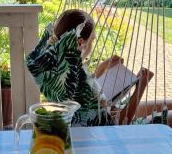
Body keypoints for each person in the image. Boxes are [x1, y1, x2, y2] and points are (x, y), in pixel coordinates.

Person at [26, 9, 154, 127]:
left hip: (84, 124)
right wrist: (141, 86)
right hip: (107, 136)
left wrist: (102, 67)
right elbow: (117, 124)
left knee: (158, 105)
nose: (92, 44)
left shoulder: (59, 69)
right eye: (92, 40)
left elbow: (84, 89)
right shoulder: (81, 83)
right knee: (166, 114)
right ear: (81, 42)